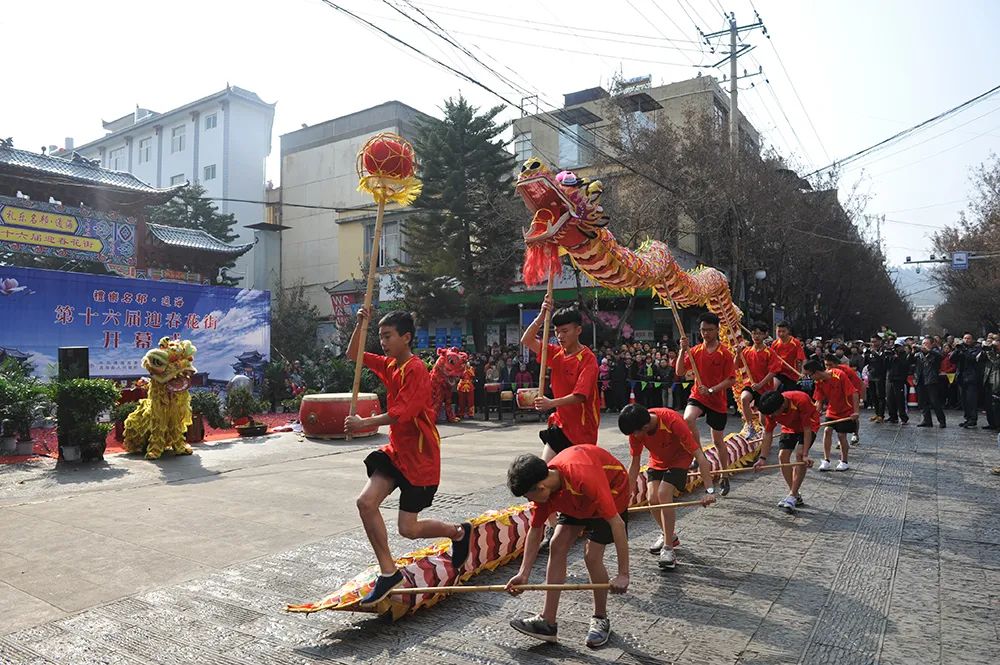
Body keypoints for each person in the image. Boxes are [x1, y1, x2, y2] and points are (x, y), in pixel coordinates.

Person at [345, 308, 472, 606]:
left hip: (421, 457)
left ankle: (457, 532)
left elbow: (405, 413)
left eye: (388, 336)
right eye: (380, 336)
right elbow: (355, 354)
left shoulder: (416, 370)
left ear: (406, 337)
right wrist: (360, 324)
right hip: (397, 453)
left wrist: (365, 423)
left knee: (409, 529)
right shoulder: (390, 365)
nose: (383, 342)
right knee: (365, 503)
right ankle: (388, 573)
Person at [505, 447, 630, 648]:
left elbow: (617, 524)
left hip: (612, 492)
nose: (530, 502)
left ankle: (600, 617)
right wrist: (523, 573)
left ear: (541, 487)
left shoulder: (584, 477)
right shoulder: (546, 489)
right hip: (575, 500)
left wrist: (623, 574)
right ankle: (548, 621)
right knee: (557, 543)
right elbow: (535, 531)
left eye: (529, 497)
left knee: (592, 556)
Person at [520, 295, 600, 550]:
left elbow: (580, 396)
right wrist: (542, 316)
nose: (560, 336)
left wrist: (551, 402)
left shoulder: (587, 359)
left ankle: (588, 521)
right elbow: (527, 340)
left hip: (583, 431)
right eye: (557, 332)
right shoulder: (554, 353)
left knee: (578, 481)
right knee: (540, 473)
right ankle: (552, 525)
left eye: (565, 331)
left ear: (578, 330)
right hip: (559, 425)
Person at [618, 404, 717, 570]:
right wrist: (626, 494)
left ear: (645, 426)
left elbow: (699, 455)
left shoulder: (672, 421)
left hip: (680, 458)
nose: (634, 436)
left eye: (635, 432)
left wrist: (709, 491)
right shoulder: (636, 431)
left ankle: (668, 549)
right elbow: (634, 464)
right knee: (652, 498)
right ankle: (669, 535)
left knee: (664, 494)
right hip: (657, 461)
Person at [676, 313, 737, 495]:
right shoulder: (694, 351)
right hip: (698, 395)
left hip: (717, 400)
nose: (706, 333)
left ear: (717, 330)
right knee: (687, 418)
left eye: (709, 330)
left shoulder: (725, 353)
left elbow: (731, 380)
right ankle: (699, 455)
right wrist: (682, 350)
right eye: (703, 330)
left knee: (718, 441)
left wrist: (711, 390)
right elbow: (679, 371)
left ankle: (724, 476)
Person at [754, 390, 819, 513]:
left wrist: (805, 455)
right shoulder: (771, 410)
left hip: (809, 426)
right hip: (789, 427)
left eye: (773, 414)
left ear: (782, 405)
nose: (772, 417)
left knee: (799, 455)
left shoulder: (801, 400)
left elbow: (806, 429)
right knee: (782, 456)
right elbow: (768, 433)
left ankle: (792, 495)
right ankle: (795, 494)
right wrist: (762, 459)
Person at [803, 359, 859, 472]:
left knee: (841, 435)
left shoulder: (839, 375)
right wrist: (813, 416)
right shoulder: (818, 382)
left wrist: (856, 411)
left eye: (809, 375)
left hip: (846, 410)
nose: (809, 378)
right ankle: (826, 460)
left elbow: (854, 393)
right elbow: (818, 401)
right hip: (832, 409)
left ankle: (844, 461)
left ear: (816, 372)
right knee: (827, 431)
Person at [739, 322, 782, 431]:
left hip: (765, 388)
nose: (756, 336)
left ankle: (766, 434)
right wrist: (737, 354)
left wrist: (760, 384)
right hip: (751, 384)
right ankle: (750, 427)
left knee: (763, 419)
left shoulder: (769, 352)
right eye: (754, 333)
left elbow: (773, 372)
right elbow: (736, 365)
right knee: (744, 398)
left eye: (759, 334)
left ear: (765, 335)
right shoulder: (746, 351)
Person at [824, 353, 865, 445]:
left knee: (853, 415)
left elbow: (860, 384)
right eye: (826, 365)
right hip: (838, 396)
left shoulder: (847, 371)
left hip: (851, 394)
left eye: (830, 365)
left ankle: (855, 434)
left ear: (836, 364)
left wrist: (861, 399)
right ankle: (842, 438)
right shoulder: (826, 373)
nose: (828, 367)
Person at [914, 337, 947, 428]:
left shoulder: (935, 353)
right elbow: (910, 362)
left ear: (932, 344)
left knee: (935, 402)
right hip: (920, 380)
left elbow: (941, 357)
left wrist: (929, 350)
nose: (924, 345)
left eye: (927, 343)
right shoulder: (918, 354)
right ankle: (927, 420)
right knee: (922, 402)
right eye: (923, 343)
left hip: (931, 380)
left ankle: (942, 421)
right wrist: (912, 351)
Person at [951, 333, 982, 428]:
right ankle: (967, 418)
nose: (966, 340)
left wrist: (964, 350)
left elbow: (972, 358)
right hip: (961, 378)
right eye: (964, 338)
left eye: (968, 338)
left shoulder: (976, 348)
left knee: (971, 400)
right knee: (963, 400)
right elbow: (952, 359)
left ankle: (973, 419)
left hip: (971, 378)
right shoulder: (960, 349)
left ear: (972, 340)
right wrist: (956, 350)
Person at [771, 322, 806, 392]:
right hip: (779, 372)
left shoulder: (795, 343)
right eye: (779, 331)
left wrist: (802, 373)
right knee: (773, 387)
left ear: (788, 331)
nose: (781, 334)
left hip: (792, 374)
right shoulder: (775, 344)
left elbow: (803, 359)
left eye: (783, 331)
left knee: (788, 395)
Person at [885, 343, 913, 424]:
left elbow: (906, 365)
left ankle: (903, 417)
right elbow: (887, 365)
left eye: (899, 347)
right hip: (891, 378)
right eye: (896, 347)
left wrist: (898, 358)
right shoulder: (891, 355)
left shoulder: (905, 356)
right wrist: (889, 356)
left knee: (900, 399)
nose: (897, 349)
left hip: (899, 379)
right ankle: (893, 416)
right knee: (890, 398)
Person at [864, 336, 889, 423]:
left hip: (880, 376)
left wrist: (874, 353)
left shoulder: (884, 350)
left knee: (880, 396)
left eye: (875, 341)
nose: (873, 343)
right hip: (871, 375)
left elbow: (883, 361)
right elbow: (866, 362)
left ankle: (881, 415)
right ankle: (877, 413)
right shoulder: (869, 351)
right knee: (873, 395)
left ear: (880, 341)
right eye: (872, 342)